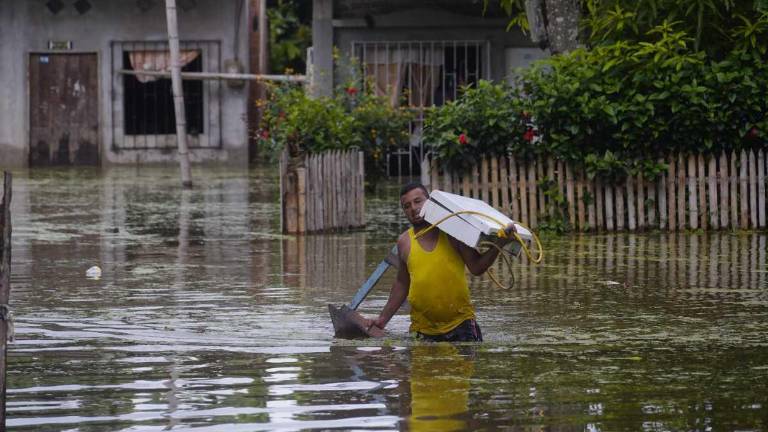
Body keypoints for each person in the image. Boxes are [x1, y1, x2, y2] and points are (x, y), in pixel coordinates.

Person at [365, 182, 516, 342]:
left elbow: (477, 267)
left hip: (461, 326)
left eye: (418, 201)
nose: (413, 208)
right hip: (422, 330)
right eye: (407, 206)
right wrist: (382, 320)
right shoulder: (404, 242)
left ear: (430, 201)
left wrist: (500, 244)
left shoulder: (452, 232)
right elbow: (402, 283)